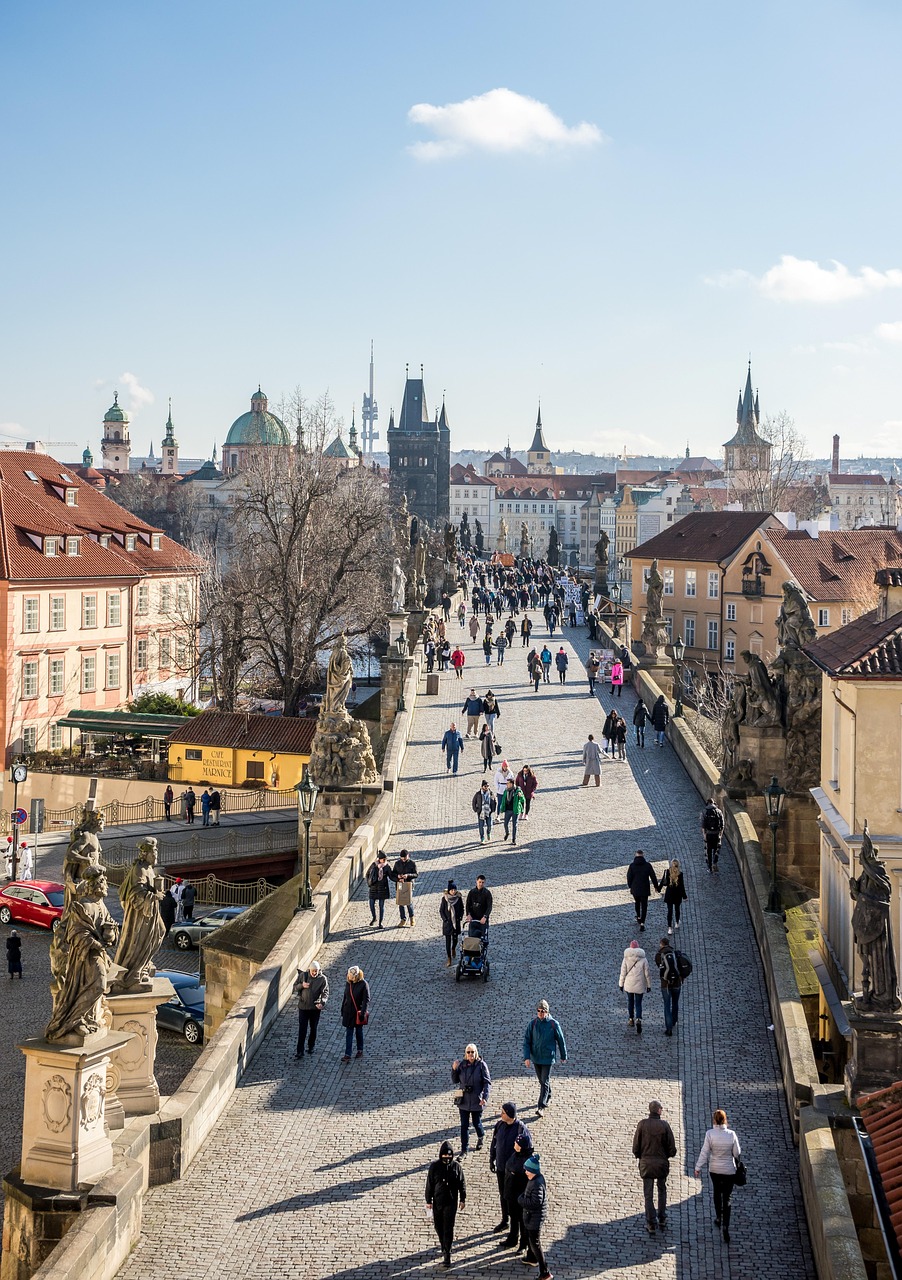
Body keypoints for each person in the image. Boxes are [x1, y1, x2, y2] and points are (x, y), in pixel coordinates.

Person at [695, 1108, 742, 1244]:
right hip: (729, 1170)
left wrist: (698, 1167)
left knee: (717, 1193)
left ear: (714, 1120)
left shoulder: (710, 1134)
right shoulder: (731, 1134)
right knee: (727, 1198)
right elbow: (737, 1152)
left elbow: (705, 1152)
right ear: (725, 1120)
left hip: (715, 1169)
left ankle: (718, 1217)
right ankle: (726, 1225)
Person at [633, 1100, 677, 1236]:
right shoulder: (664, 1126)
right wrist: (667, 1156)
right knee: (662, 1189)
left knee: (648, 1194)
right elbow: (672, 1148)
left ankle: (651, 1222)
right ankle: (662, 1217)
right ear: (658, 1111)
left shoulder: (642, 1124)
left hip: (646, 1163)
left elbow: (636, 1147)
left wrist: (641, 1156)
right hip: (661, 1164)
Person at [490, 1103, 531, 1236]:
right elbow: (494, 1143)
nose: (500, 1114)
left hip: (514, 1172)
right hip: (501, 1167)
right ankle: (504, 1220)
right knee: (503, 1195)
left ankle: (517, 1226)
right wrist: (492, 1158)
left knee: (513, 1199)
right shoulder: (499, 1125)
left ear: (509, 1114)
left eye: (503, 1112)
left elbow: (527, 1149)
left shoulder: (520, 1128)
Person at [425, 1140, 467, 1270]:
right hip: (438, 1202)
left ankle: (447, 1254)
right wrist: (428, 1201)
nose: (447, 1159)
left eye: (449, 1156)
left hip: (451, 1202)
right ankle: (444, 1245)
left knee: (448, 1228)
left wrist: (462, 1199)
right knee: (438, 1226)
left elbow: (462, 1183)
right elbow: (429, 1184)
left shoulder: (456, 1167)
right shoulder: (434, 1167)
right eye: (445, 1156)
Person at [522, 999, 567, 1116]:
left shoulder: (553, 1024)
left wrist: (563, 1055)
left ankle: (541, 1106)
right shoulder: (532, 1024)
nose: (541, 1013)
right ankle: (549, 1094)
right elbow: (527, 1041)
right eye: (539, 1011)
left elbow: (561, 1041)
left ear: (547, 1012)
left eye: (543, 1011)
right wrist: (526, 1057)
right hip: (536, 1057)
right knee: (542, 1081)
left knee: (544, 1082)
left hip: (547, 1058)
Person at [452, 1042, 491, 1155]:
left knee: (476, 1123)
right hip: (463, 1101)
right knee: (464, 1126)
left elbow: (487, 1083)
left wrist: (485, 1097)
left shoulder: (482, 1065)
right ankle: (465, 1149)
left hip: (476, 1100)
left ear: (476, 1052)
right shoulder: (462, 1065)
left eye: (472, 1052)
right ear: (466, 1054)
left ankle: (480, 1136)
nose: (470, 1054)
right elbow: (455, 1080)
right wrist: (454, 1070)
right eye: (468, 1052)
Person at [518, 1153, 552, 1279]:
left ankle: (545, 1272)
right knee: (532, 1241)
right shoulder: (535, 1179)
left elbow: (535, 1202)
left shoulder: (536, 1184)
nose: (525, 1171)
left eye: (527, 1170)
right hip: (532, 1218)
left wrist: (521, 1200)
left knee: (535, 1243)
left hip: (534, 1219)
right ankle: (532, 1258)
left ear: (532, 1171)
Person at [293, 959, 329, 1057]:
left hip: (314, 1008)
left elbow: (325, 992)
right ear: (309, 970)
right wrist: (302, 985)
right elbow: (295, 987)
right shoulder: (303, 976)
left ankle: (311, 1046)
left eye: (316, 971)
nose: (314, 973)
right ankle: (300, 1051)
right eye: (313, 971)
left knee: (313, 1028)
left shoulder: (322, 979)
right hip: (303, 1008)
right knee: (302, 1030)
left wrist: (322, 1002)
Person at [656, 935, 687, 1036]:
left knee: (667, 1005)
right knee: (675, 1003)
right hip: (677, 983)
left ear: (661, 945)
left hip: (666, 984)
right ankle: (674, 1021)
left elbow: (659, 966)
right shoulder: (675, 953)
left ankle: (668, 1028)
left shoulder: (659, 955)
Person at [619, 939, 651, 1034]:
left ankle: (630, 1018)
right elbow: (647, 974)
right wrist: (649, 985)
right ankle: (639, 1019)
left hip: (629, 984)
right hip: (640, 985)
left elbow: (623, 972)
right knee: (638, 1003)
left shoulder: (626, 958)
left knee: (630, 1002)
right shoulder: (643, 959)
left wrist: (621, 984)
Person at [340, 965, 369, 1061]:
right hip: (348, 1012)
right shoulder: (348, 983)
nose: (349, 978)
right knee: (349, 1033)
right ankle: (348, 1054)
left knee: (358, 1032)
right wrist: (342, 1009)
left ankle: (360, 1049)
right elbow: (345, 996)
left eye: (351, 976)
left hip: (357, 1013)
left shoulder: (363, 984)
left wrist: (363, 1013)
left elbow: (366, 1000)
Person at [627, 850, 660, 932]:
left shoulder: (632, 866)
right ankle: (642, 924)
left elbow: (629, 877)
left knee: (637, 903)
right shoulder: (647, 865)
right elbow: (653, 876)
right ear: (643, 855)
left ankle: (638, 916)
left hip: (635, 888)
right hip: (644, 888)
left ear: (636, 855)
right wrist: (656, 887)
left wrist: (630, 886)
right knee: (644, 906)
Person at [366, 852, 394, 927]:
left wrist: (398, 879)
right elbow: (368, 874)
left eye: (385, 859)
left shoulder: (387, 867)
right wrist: (369, 883)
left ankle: (380, 922)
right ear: (380, 859)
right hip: (373, 888)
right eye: (383, 859)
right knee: (371, 903)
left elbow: (391, 876)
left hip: (383, 888)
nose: (384, 860)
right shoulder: (374, 865)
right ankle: (374, 917)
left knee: (381, 906)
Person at [660, 859, 687, 933]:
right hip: (677, 894)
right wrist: (684, 896)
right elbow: (681, 886)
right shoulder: (680, 874)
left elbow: (663, 882)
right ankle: (677, 923)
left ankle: (669, 928)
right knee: (677, 909)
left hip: (669, 894)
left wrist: (658, 889)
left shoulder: (667, 872)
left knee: (669, 911)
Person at [441, 880, 464, 966]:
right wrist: (445, 920)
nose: (453, 891)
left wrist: (460, 917)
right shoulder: (444, 899)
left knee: (455, 940)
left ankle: (453, 948)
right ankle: (449, 958)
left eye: (454, 890)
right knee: (447, 941)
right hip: (448, 924)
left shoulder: (458, 898)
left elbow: (462, 908)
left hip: (456, 923)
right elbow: (441, 910)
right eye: (452, 890)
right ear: (449, 891)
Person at [393, 849, 418, 927]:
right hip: (400, 884)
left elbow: (416, 874)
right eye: (402, 858)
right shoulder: (397, 863)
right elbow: (393, 873)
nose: (403, 860)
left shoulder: (412, 863)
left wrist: (408, 875)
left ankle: (412, 917)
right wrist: (398, 877)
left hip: (408, 884)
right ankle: (403, 919)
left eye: (405, 858)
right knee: (401, 903)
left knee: (408, 902)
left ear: (408, 856)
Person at [701, 797, 725, 873]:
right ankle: (715, 863)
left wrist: (704, 835)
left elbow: (702, 825)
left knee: (708, 851)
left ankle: (710, 868)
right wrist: (720, 835)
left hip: (708, 834)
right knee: (716, 849)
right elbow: (722, 825)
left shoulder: (704, 811)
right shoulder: (719, 811)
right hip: (716, 834)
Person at [498, 778, 525, 845]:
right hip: (507, 810)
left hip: (515, 810)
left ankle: (514, 839)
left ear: (512, 784)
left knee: (514, 825)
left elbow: (522, 800)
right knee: (505, 824)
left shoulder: (517, 791)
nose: (506, 784)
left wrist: (520, 796)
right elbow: (504, 800)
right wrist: (502, 808)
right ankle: (507, 833)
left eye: (508, 783)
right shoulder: (506, 791)